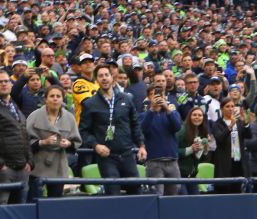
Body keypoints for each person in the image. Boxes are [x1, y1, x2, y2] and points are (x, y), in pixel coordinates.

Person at [79, 64, 146, 195]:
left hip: (127, 154)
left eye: (106, 75)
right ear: (96, 80)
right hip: (107, 157)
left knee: (136, 192)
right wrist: (96, 145)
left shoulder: (126, 99)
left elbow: (135, 124)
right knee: (113, 193)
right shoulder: (90, 104)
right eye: (100, 76)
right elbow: (83, 131)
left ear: (112, 77)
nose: (104, 78)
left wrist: (141, 145)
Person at [25, 85, 81, 199]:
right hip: (37, 165)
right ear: (46, 99)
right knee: (34, 200)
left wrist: (69, 144)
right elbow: (26, 142)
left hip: (58, 165)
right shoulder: (34, 116)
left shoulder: (69, 117)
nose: (55, 99)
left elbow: (76, 141)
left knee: (54, 201)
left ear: (62, 99)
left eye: (58, 96)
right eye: (52, 96)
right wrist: (43, 142)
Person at [0, 69, 31, 204]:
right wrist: (0, 165)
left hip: (21, 170)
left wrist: (29, 161)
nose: (4, 84)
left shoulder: (14, 107)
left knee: (19, 214)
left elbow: (25, 135)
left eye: (6, 81)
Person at [140, 85, 183, 196]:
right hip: (154, 162)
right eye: (155, 95)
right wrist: (152, 110)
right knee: (157, 195)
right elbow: (142, 130)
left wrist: (168, 109)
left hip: (172, 160)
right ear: (149, 98)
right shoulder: (144, 115)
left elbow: (177, 127)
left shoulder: (172, 113)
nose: (159, 97)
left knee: (174, 194)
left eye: (161, 95)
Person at [209, 97, 248, 193]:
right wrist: (230, 126)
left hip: (238, 161)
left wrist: (245, 123)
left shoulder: (238, 123)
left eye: (232, 106)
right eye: (227, 106)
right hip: (224, 163)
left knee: (237, 192)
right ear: (222, 109)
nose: (231, 108)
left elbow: (248, 135)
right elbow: (220, 139)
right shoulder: (217, 124)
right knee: (223, 191)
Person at [176, 105, 213, 195]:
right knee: (184, 200)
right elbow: (172, 151)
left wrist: (205, 149)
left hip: (192, 175)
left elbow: (204, 158)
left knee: (197, 200)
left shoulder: (202, 133)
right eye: (194, 115)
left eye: (200, 115)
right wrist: (190, 149)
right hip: (179, 175)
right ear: (189, 117)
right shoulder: (182, 130)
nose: (197, 117)